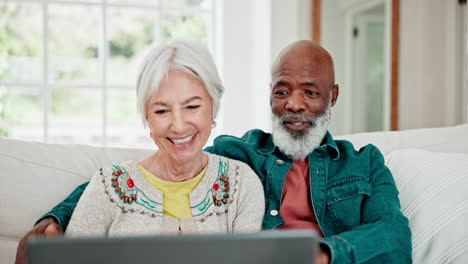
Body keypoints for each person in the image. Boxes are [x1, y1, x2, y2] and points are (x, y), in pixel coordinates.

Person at [16, 40, 411, 264]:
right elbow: (151, 171)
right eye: (282, 91)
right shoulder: (239, 154)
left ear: (332, 96)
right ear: (269, 95)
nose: (293, 104)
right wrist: (57, 217)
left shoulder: (366, 162)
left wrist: (324, 254)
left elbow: (393, 234)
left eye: (310, 91)